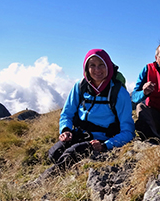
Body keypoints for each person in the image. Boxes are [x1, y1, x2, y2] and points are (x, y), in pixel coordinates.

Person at [37, 49, 135, 182]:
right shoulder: (80, 86)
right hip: (79, 134)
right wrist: (65, 130)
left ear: (108, 66)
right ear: (86, 68)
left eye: (101, 65)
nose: (97, 70)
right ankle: (72, 167)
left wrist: (106, 145)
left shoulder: (118, 92)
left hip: (102, 141)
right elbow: (67, 113)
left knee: (71, 154)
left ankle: (42, 182)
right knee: (54, 154)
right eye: (92, 65)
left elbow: (128, 131)